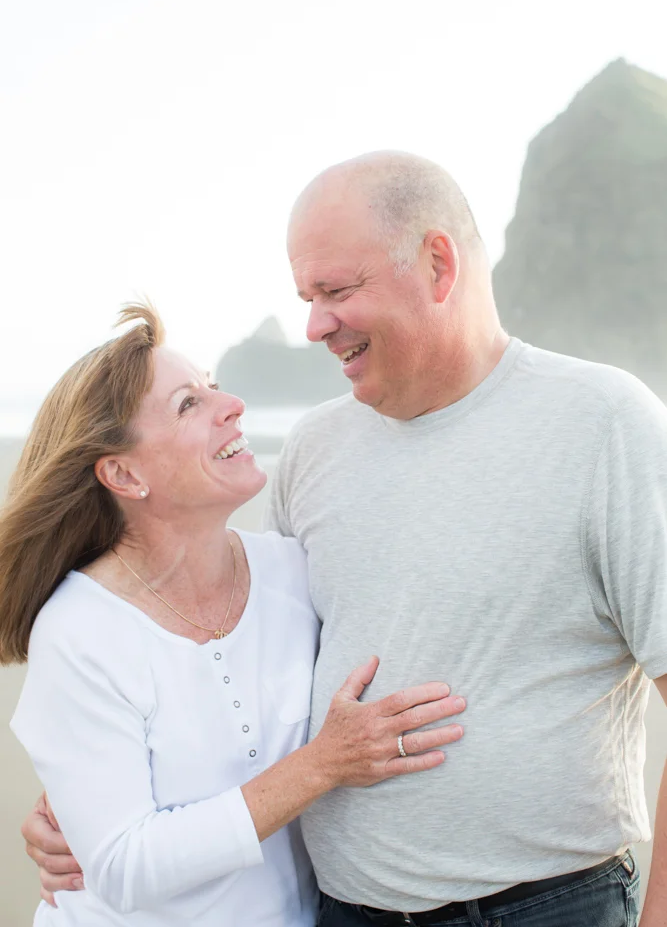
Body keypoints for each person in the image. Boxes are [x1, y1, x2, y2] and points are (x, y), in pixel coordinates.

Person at [22, 149, 667, 925]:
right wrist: (87, 804)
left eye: (336, 291)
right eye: (305, 296)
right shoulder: (314, 449)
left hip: (547, 906)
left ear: (436, 264)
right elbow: (259, 688)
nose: (314, 323)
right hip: (343, 909)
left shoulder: (604, 423)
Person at [1, 301, 467, 927]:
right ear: (122, 472)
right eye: (188, 404)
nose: (232, 406)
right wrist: (323, 764)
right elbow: (124, 866)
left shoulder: (293, 572)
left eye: (214, 386)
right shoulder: (81, 629)